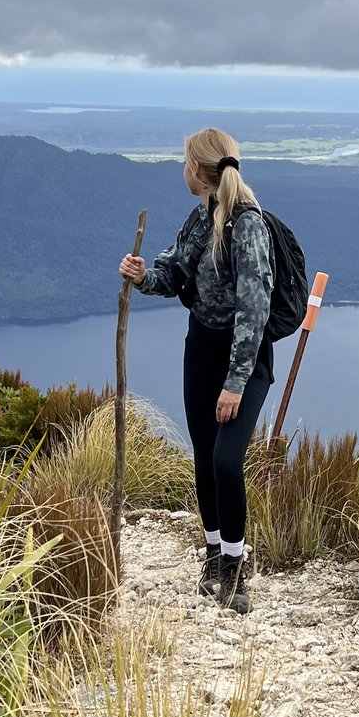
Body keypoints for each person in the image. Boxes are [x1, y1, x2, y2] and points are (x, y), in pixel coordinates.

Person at [118, 128, 274, 614]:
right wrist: (143, 276)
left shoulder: (248, 226)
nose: (181, 170)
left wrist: (235, 383)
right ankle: (213, 557)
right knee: (205, 459)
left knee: (227, 460)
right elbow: (175, 273)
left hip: (241, 361)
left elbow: (254, 311)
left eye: (184, 163)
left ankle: (234, 568)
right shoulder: (199, 218)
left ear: (197, 170)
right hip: (200, 350)